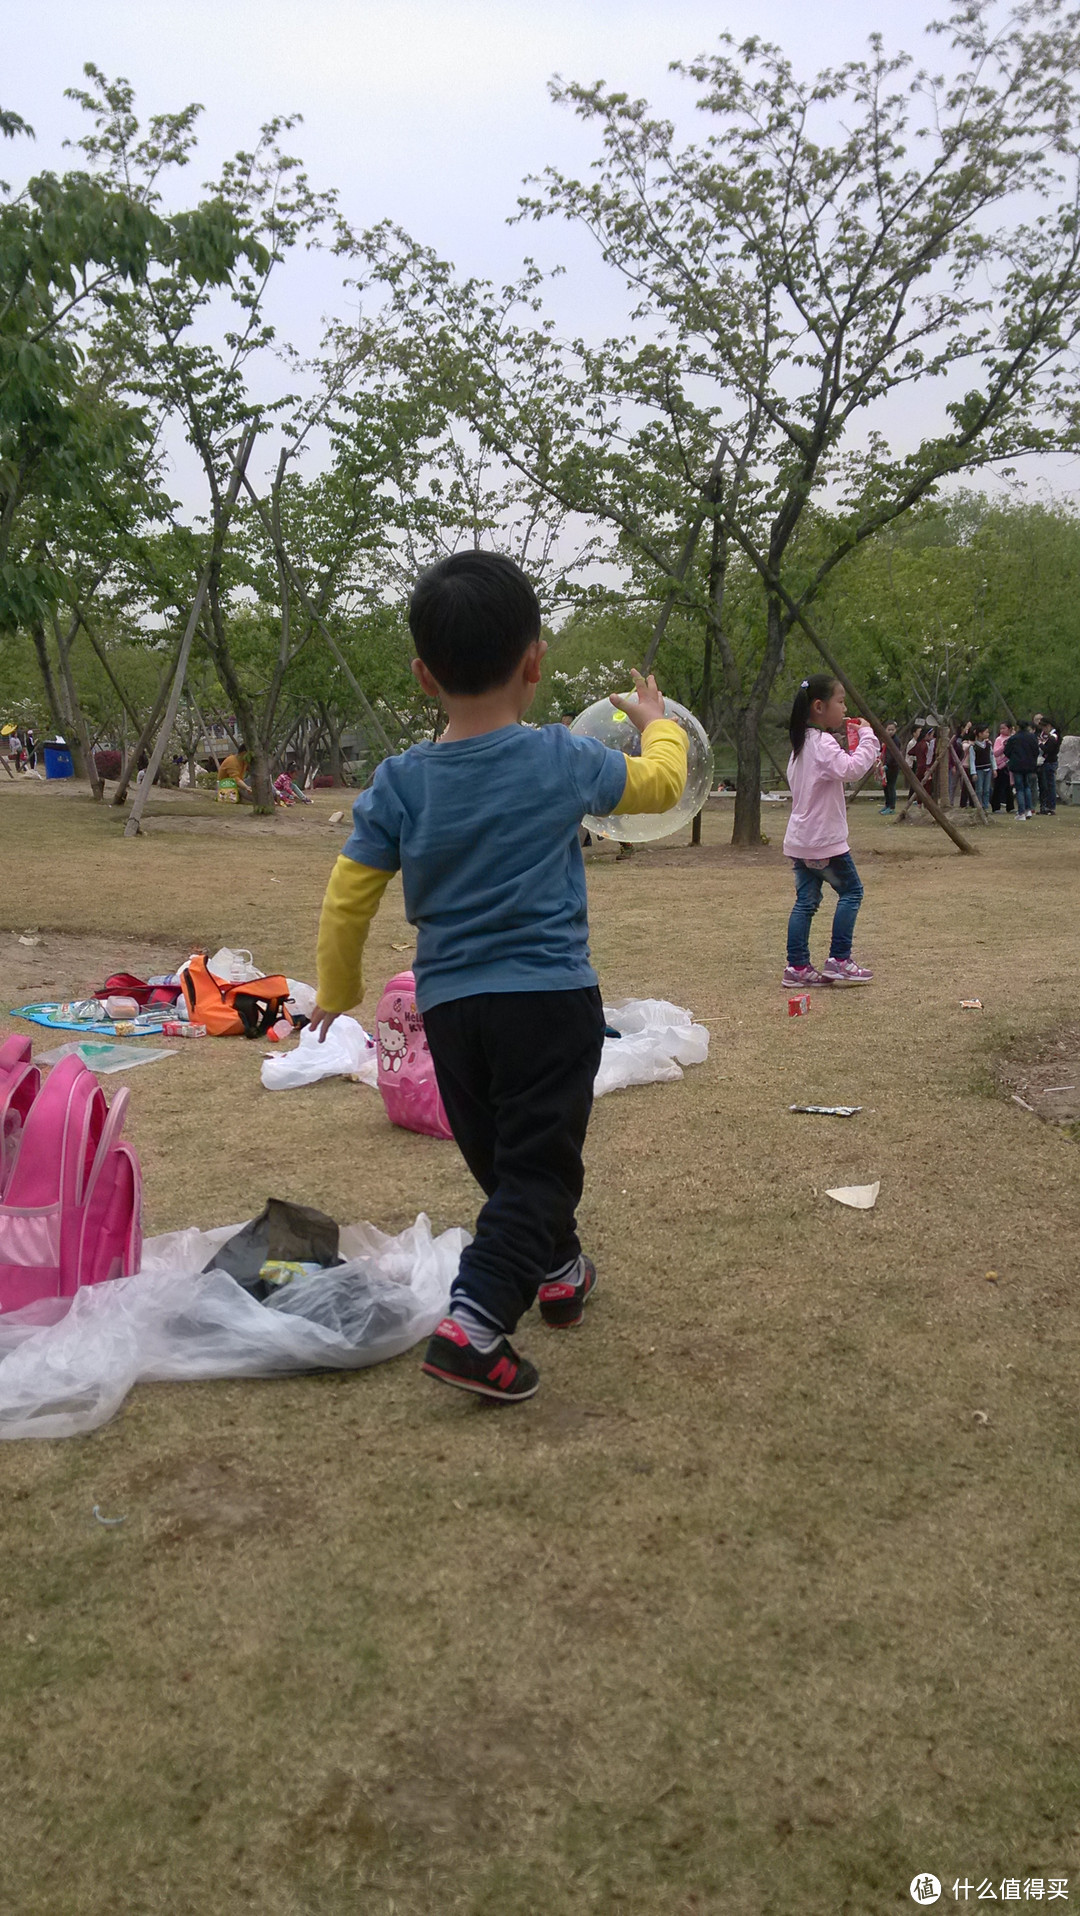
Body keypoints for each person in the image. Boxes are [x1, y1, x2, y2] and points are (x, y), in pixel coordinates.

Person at [309, 550, 688, 1403]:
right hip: (548, 1000)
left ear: (421, 675)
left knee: (505, 1158)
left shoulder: (399, 782)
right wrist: (656, 721)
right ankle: (476, 1323)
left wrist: (335, 995)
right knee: (541, 1169)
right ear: (535, 661)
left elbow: (347, 899)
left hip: (450, 1007)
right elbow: (663, 781)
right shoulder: (561, 759)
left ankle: (558, 1267)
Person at [782, 674, 879, 988]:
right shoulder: (821, 743)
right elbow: (850, 769)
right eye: (840, 701)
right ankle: (840, 959)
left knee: (806, 902)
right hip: (824, 841)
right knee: (852, 892)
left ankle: (797, 967)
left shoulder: (801, 744)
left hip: (801, 841)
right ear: (819, 707)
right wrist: (868, 737)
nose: (845, 707)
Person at [1003, 720, 1039, 820]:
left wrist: (1014, 757)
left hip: (1017, 765)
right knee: (1027, 786)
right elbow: (1036, 751)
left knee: (1019, 788)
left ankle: (1021, 812)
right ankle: (1028, 810)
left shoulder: (1014, 738)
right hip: (1029, 765)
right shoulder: (1032, 737)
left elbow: (1006, 751)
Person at [1036, 716, 1060, 815]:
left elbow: (1048, 749)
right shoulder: (1047, 736)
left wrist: (1040, 744)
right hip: (1047, 762)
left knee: (1049, 785)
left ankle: (1050, 806)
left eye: (1044, 727)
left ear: (1049, 726)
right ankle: (1046, 806)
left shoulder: (1053, 737)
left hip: (1050, 762)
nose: (1043, 730)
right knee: (1046, 785)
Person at [991, 721, 1015, 813]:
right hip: (1000, 765)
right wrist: (1003, 746)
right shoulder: (999, 739)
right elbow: (995, 753)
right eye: (1001, 728)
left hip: (1010, 764)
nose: (1002, 730)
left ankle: (1010, 806)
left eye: (1004, 728)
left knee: (1009, 787)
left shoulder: (1013, 738)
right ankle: (996, 806)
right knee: (998, 786)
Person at [972, 725, 994, 812]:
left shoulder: (988, 745)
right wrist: (973, 773)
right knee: (979, 789)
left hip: (988, 769)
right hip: (979, 770)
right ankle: (979, 806)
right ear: (980, 734)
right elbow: (972, 760)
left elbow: (992, 757)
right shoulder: (973, 747)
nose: (988, 734)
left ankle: (985, 806)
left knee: (987, 789)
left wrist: (994, 768)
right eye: (986, 732)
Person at [879, 720, 899, 813]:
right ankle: (887, 805)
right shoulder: (886, 740)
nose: (891, 731)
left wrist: (887, 765)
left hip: (892, 767)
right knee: (885, 786)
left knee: (891, 786)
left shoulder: (895, 741)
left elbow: (893, 755)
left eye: (892, 729)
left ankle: (892, 807)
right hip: (885, 766)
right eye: (889, 729)